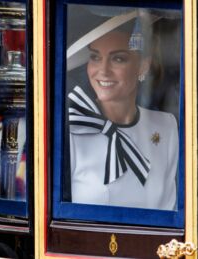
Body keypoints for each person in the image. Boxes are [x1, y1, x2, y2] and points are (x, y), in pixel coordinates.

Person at [66, 7, 179, 210]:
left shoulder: (166, 127)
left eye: (118, 58)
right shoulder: (73, 130)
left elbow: (169, 210)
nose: (103, 71)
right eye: (95, 57)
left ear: (143, 66)